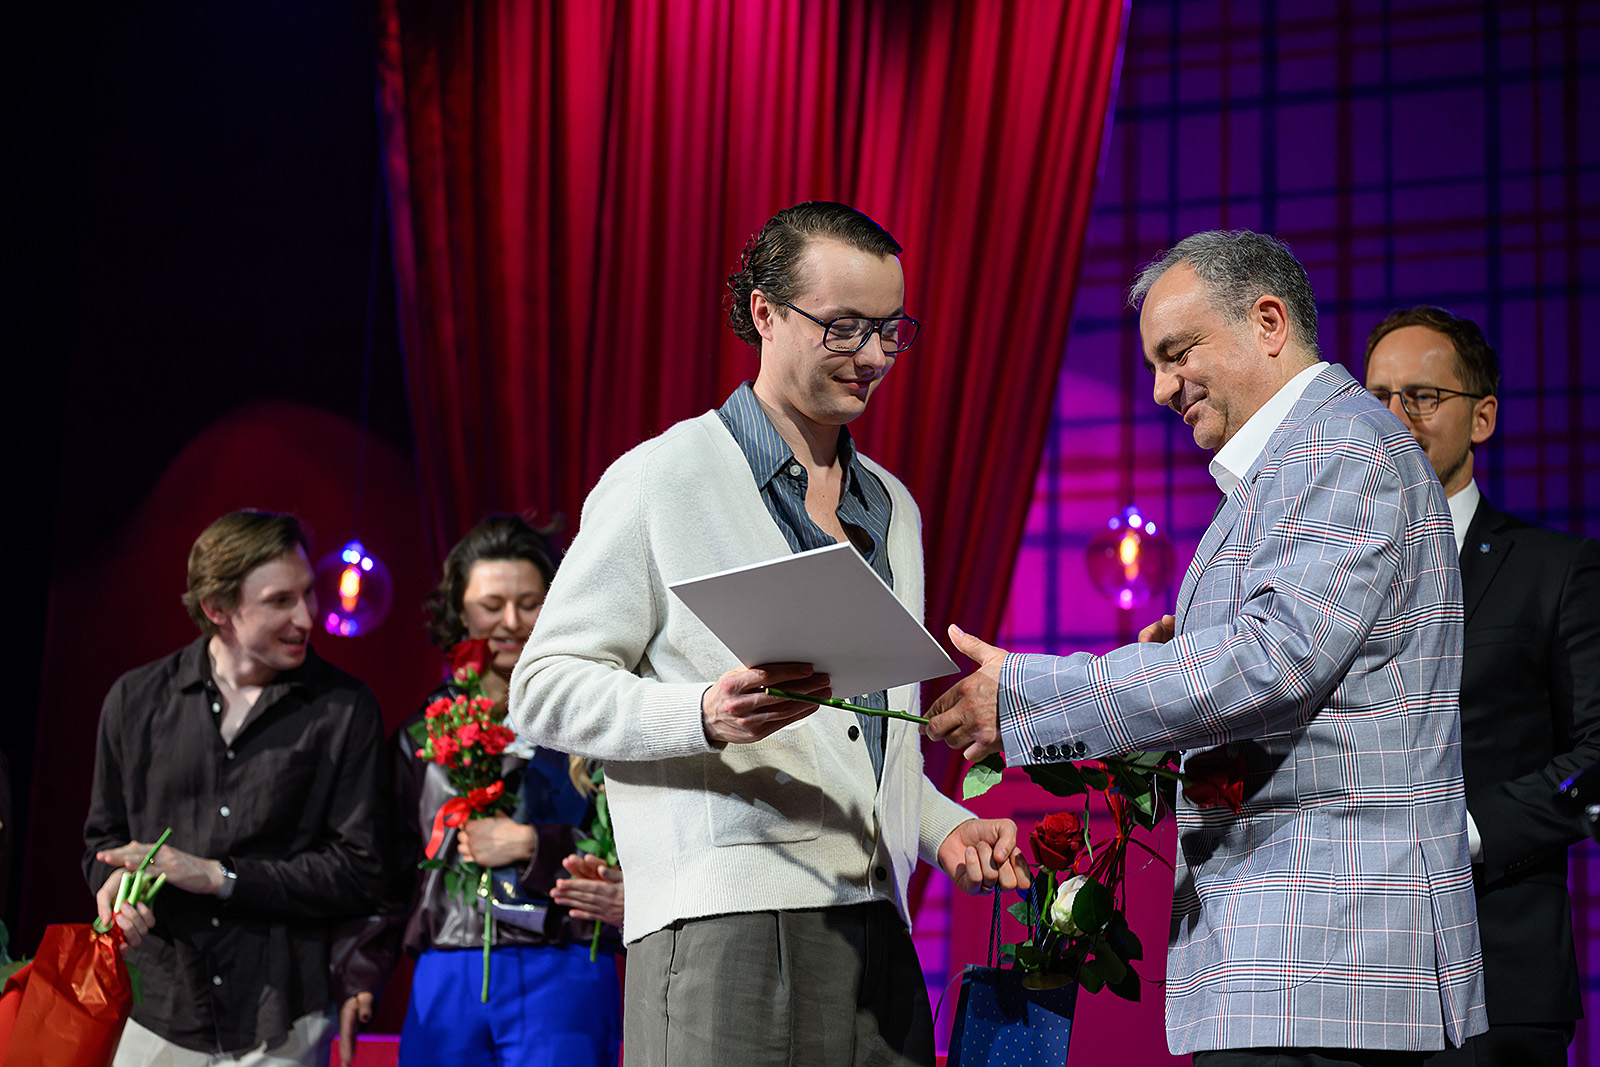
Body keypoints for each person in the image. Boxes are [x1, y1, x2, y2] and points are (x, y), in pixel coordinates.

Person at [925, 230, 1488, 1064]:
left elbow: (1272, 662)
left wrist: (1025, 694)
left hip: (1325, 958)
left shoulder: (1341, 445)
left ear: (1269, 322)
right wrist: (1179, 656)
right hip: (1294, 964)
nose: (1161, 387)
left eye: (1177, 352)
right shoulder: (1302, 460)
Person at [508, 200, 1027, 1067]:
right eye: (844, 327)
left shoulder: (891, 505)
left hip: (878, 928)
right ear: (765, 313)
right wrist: (702, 713)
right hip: (726, 929)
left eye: (891, 331)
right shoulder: (663, 477)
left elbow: (858, 745)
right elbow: (542, 688)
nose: (873, 356)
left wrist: (939, 828)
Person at [1364, 306, 1600, 1066]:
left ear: (1483, 417)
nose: (1395, 417)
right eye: (1378, 397)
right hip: (1346, 986)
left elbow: (1598, 760)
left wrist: (1461, 835)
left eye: (1423, 397)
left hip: (1498, 976)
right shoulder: (1326, 579)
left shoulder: (1556, 570)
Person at [83, 509, 386, 1066]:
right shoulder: (136, 699)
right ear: (216, 609)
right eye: (280, 601)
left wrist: (218, 877)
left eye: (307, 593)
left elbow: (358, 870)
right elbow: (103, 842)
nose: (307, 617)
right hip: (156, 1005)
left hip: (281, 1014)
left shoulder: (346, 709)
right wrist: (114, 887)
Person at [338, 515, 624, 1067]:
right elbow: (387, 868)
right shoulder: (422, 733)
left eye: (529, 604)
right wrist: (361, 972)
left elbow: (631, 845)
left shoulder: (590, 720)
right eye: (492, 606)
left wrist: (533, 845)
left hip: (563, 959)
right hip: (448, 967)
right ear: (460, 611)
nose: (511, 622)